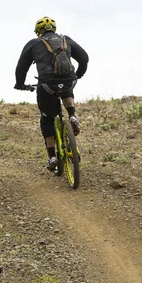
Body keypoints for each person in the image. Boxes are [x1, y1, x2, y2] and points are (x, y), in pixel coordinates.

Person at [14, 16, 89, 171]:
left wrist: (20, 84)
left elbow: (21, 66)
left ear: (38, 32)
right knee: (67, 88)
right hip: (68, 80)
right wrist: (78, 74)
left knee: (47, 118)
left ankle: (52, 157)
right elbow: (84, 58)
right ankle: (72, 115)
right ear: (54, 29)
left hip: (47, 84)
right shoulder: (65, 40)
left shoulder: (34, 43)